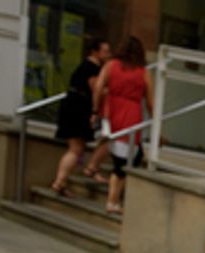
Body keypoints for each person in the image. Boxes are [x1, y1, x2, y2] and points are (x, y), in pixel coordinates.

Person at [93, 36, 153, 215]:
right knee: (124, 164)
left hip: (113, 112)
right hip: (131, 115)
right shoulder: (143, 72)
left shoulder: (111, 65)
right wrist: (155, 122)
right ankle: (113, 201)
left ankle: (114, 200)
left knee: (124, 157)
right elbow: (150, 101)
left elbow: (98, 87)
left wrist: (96, 110)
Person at [50, 37, 112, 196]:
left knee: (76, 147)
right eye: (105, 51)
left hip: (72, 106)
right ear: (95, 52)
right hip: (78, 109)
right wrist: (96, 109)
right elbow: (96, 89)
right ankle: (59, 181)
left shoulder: (86, 65)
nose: (108, 55)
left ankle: (61, 182)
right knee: (76, 149)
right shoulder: (92, 67)